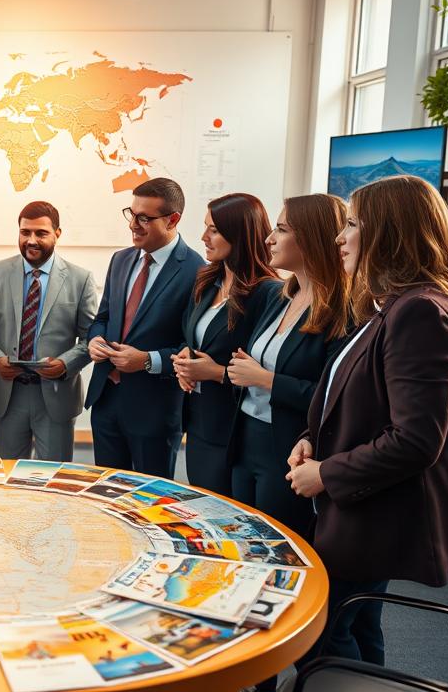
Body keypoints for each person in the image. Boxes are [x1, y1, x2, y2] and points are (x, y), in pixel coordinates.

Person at [287, 176, 448, 665]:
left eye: (351, 225)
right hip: (363, 506)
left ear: (389, 231)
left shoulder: (422, 312)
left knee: (322, 643)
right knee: (360, 625)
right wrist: (310, 437)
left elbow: (416, 438)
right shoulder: (392, 304)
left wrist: (326, 472)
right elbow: (354, 395)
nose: (339, 237)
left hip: (374, 514)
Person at [226, 194, 349, 538]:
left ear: (312, 237)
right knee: (244, 540)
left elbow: (333, 399)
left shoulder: (344, 312)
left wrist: (267, 380)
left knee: (278, 547)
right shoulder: (277, 295)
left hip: (289, 448)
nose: (269, 239)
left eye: (280, 229)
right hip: (245, 437)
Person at [86, 178, 205, 476]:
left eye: (144, 218)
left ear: (172, 219)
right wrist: (95, 340)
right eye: (131, 213)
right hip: (106, 402)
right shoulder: (121, 260)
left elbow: (194, 346)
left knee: (148, 505)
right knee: (107, 496)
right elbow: (102, 318)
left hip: (155, 411)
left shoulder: (197, 271)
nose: (133, 225)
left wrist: (147, 361)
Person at [171, 193, 279, 495]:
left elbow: (263, 367)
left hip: (235, 430)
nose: (204, 237)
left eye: (214, 230)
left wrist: (215, 372)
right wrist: (185, 357)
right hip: (200, 422)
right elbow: (192, 336)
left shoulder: (267, 292)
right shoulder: (207, 281)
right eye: (206, 227)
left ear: (240, 233)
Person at [0, 201, 99, 461]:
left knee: (52, 480)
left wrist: (65, 363)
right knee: (8, 480)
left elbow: (91, 338)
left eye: (41, 233)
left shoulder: (80, 278)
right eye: (25, 232)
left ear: (57, 234)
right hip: (7, 393)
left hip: (56, 394)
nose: (31, 240)